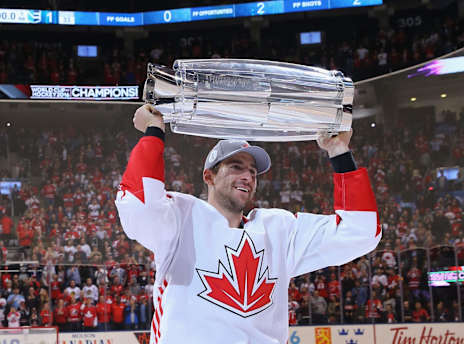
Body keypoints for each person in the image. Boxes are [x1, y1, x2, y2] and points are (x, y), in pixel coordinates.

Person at [115, 104, 381, 344]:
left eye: (252, 172)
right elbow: (139, 202)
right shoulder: (181, 217)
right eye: (235, 167)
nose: (247, 177)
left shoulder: (278, 229)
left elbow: (360, 231)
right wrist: (154, 131)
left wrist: (338, 151)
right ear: (209, 176)